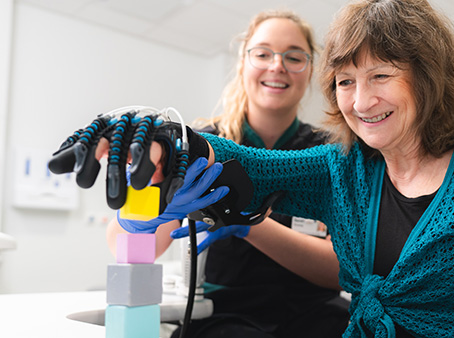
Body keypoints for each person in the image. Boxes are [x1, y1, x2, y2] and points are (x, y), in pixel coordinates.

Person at [99, 0, 454, 337]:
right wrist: (164, 140)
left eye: (381, 75)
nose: (361, 101)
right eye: (346, 82)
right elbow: (256, 166)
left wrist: (246, 224)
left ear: (428, 76)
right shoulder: (345, 164)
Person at [106, 9, 350, 338]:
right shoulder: (198, 144)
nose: (277, 65)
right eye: (263, 53)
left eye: (294, 57)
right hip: (223, 314)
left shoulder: (331, 153)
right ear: (242, 64)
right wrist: (139, 203)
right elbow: (132, 245)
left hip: (315, 314)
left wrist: (248, 224)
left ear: (310, 71)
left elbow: (341, 270)